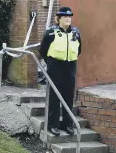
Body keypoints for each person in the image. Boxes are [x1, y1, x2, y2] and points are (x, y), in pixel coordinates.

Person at [39, 7, 82, 136]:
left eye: (70, 17)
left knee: (68, 96)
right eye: (65, 17)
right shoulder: (51, 32)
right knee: (54, 96)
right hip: (55, 65)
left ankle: (67, 124)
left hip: (70, 66)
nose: (68, 19)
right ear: (58, 19)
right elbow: (43, 50)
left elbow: (79, 49)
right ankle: (53, 125)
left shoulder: (75, 33)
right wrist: (51, 63)